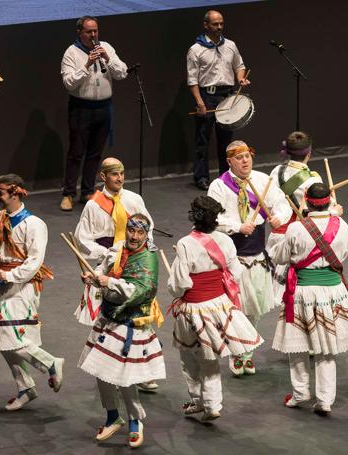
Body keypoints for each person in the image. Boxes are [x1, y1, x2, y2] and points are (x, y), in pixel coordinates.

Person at [0, 174, 63, 411]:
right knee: (1, 337)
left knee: (12, 338)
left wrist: (9, 275)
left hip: (22, 287)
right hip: (1, 285)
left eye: (1, 192)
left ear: (15, 193)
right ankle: (25, 386)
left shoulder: (34, 225)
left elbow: (34, 262)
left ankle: (51, 364)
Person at [270, 183, 348, 415]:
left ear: (307, 202)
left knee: (298, 345)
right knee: (326, 348)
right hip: (333, 291)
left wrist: (277, 234)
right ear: (330, 199)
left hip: (303, 291)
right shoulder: (342, 225)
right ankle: (325, 399)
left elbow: (280, 256)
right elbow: (347, 248)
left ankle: (300, 392)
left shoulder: (295, 228)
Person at [168, 196, 263, 421]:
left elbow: (179, 283)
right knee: (210, 356)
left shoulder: (185, 243)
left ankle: (200, 401)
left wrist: (179, 294)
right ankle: (212, 404)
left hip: (194, 307)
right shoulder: (225, 240)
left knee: (190, 356)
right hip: (220, 304)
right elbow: (235, 272)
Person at [79, 214, 165, 448]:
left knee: (125, 377)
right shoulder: (118, 249)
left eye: (139, 232)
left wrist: (108, 282)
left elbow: (141, 291)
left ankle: (135, 419)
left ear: (146, 234)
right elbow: (103, 268)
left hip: (131, 322)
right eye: (131, 231)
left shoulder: (148, 258)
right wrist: (93, 277)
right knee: (101, 370)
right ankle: (112, 415)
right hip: (108, 317)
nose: (134, 236)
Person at [207, 140, 291, 375]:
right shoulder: (218, 186)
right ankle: (237, 352)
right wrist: (237, 226)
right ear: (229, 161)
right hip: (232, 255)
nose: (245, 161)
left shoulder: (262, 181)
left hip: (256, 255)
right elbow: (213, 219)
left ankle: (247, 352)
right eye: (239, 157)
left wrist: (279, 218)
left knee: (255, 308)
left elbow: (282, 205)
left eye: (248, 156)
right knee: (237, 308)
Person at [73, 157, 154, 327]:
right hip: (106, 262)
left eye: (122, 174)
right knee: (103, 316)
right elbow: (83, 239)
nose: (120, 178)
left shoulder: (134, 199)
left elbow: (149, 228)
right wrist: (108, 253)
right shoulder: (93, 205)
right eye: (115, 174)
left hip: (132, 261)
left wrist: (140, 251)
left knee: (133, 307)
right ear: (103, 176)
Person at [60, 16, 128, 211]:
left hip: (104, 108)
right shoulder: (71, 53)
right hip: (81, 108)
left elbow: (122, 73)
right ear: (80, 33)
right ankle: (68, 193)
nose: (93, 35)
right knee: (76, 152)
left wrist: (107, 59)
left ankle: (88, 191)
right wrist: (87, 64)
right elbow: (69, 83)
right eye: (89, 32)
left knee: (95, 153)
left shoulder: (106, 47)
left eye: (95, 31)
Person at [187, 10, 250, 190]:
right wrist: (199, 102)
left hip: (227, 96)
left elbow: (239, 66)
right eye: (215, 24)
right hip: (207, 95)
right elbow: (192, 80)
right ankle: (201, 177)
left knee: (226, 140)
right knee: (202, 140)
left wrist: (241, 79)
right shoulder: (195, 50)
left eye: (221, 23)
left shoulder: (230, 45)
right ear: (206, 25)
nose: (219, 27)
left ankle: (226, 176)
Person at [266, 131, 330, 304]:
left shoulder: (276, 171)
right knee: (296, 295)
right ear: (308, 153)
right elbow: (319, 210)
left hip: (275, 236)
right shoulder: (312, 180)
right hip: (298, 238)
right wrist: (335, 212)